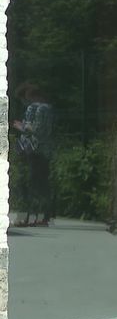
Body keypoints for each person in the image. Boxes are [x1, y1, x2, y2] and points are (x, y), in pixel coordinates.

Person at [12, 81, 54, 226]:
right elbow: (46, 130)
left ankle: (29, 216)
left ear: (28, 95)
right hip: (45, 150)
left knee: (29, 183)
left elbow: (34, 129)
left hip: (32, 149)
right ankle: (43, 215)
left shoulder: (34, 108)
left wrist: (20, 126)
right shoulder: (49, 108)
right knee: (42, 183)